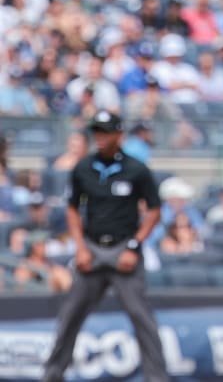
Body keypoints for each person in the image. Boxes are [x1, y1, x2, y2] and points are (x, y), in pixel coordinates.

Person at [41, 111, 168, 382]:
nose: (99, 137)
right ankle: (52, 375)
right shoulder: (83, 168)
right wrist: (80, 247)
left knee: (140, 316)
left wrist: (134, 245)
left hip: (124, 249)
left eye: (105, 132)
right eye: (96, 132)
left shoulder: (136, 169)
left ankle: (157, 377)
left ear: (119, 135)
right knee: (70, 316)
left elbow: (155, 210)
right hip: (92, 249)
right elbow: (73, 209)